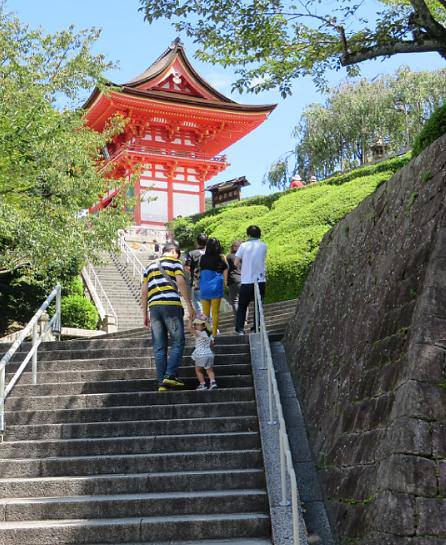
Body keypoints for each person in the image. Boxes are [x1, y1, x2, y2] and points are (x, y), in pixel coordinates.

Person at [141, 241, 195, 392]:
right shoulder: (174, 262)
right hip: (171, 305)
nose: (178, 257)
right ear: (173, 252)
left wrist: (145, 314)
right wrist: (189, 305)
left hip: (154, 308)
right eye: (178, 254)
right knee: (178, 341)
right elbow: (181, 282)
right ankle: (170, 375)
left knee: (159, 347)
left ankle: (162, 383)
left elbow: (144, 291)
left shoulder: (149, 266)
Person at [235, 225, 267, 335]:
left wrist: (245, 263)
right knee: (258, 305)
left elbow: (235, 262)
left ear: (248, 234)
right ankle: (256, 328)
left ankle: (240, 329)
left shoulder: (243, 246)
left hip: (247, 280)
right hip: (260, 280)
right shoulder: (263, 245)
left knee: (242, 306)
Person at [199, 237, 228, 337]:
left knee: (205, 314)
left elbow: (201, 269)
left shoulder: (202, 257)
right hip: (215, 286)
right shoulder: (221, 257)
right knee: (215, 312)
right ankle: (215, 335)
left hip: (204, 287)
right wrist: (226, 282)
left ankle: (206, 335)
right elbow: (226, 269)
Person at [188, 316, 217, 390]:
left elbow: (189, 328)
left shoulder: (198, 333)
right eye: (195, 324)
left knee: (198, 370)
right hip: (209, 354)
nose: (195, 326)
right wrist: (212, 352)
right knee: (210, 371)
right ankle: (213, 382)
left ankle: (202, 384)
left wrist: (190, 319)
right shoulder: (209, 334)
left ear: (204, 326)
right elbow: (212, 344)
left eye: (198, 324)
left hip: (201, 355)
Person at [184, 233, 208, 314]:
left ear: (197, 242)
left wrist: (193, 271)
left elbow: (187, 268)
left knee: (198, 306)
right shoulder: (212, 253)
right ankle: (211, 324)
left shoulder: (192, 253)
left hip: (197, 283)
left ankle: (204, 323)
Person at [226, 240, 242, 317]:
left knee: (235, 301)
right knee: (244, 301)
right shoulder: (243, 257)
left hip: (233, 280)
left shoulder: (229, 257)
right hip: (243, 279)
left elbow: (226, 269)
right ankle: (244, 320)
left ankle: (239, 319)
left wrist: (225, 281)